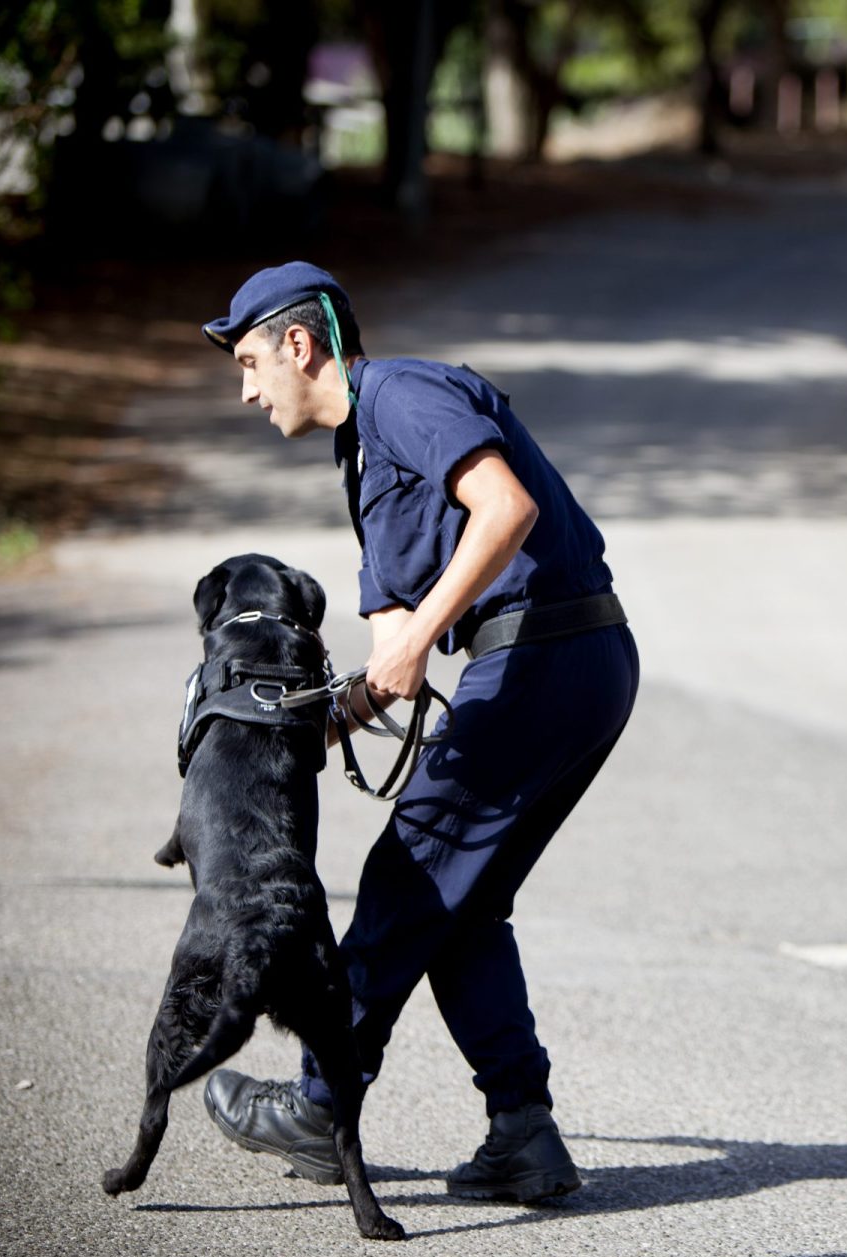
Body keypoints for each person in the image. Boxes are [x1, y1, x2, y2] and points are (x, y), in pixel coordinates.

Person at [194, 262, 638, 1202]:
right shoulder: (360, 459)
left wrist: (431, 631)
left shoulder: (402, 393)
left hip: (546, 656)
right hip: (562, 667)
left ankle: (321, 1103)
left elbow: (506, 508)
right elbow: (392, 646)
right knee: (460, 904)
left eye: (248, 361)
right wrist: (304, 733)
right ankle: (523, 1131)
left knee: (408, 877)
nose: (245, 389)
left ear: (300, 345)